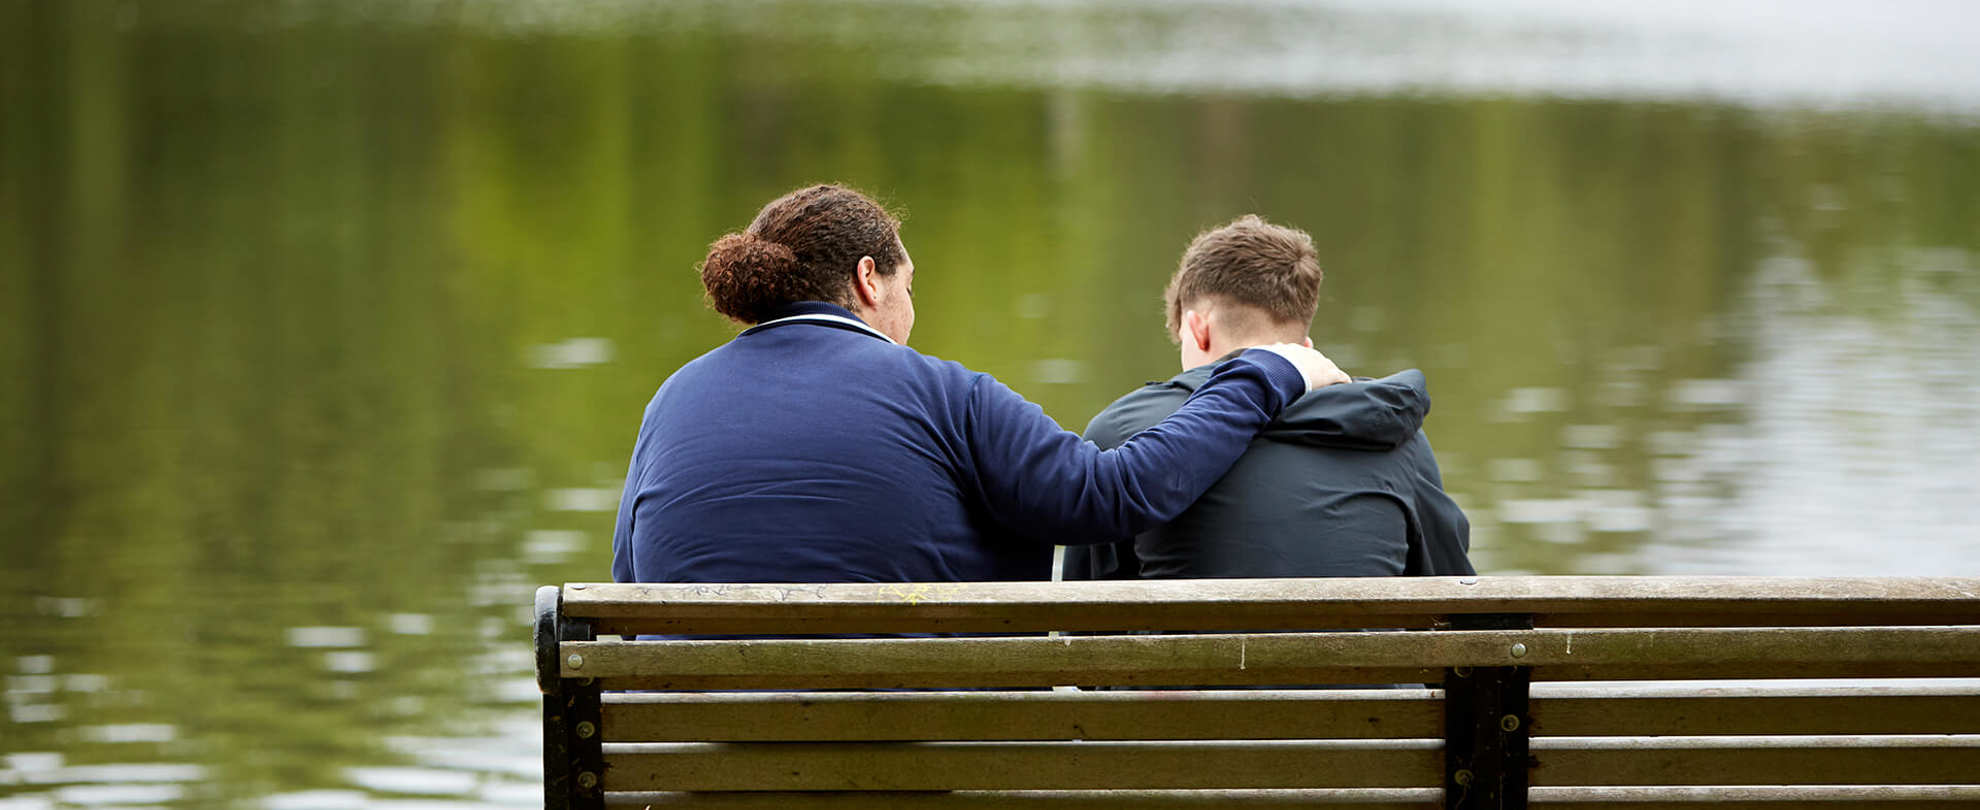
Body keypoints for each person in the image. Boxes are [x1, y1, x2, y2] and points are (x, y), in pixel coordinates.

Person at [611, 185, 1376, 587]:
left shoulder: (672, 400)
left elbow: (631, 583)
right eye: (912, 285)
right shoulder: (943, 395)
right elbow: (1109, 496)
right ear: (869, 279)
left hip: (705, 745)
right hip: (915, 751)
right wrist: (1267, 370)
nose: (914, 310)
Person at [1062, 215, 1474, 583]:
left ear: (1198, 329)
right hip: (1353, 671)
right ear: (1306, 349)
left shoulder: (1124, 432)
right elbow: (1452, 596)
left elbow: (1088, 625)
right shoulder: (1392, 432)